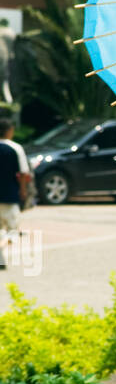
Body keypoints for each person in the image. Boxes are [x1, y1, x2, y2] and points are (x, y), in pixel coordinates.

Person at [0, 116, 32, 271]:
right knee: (13, 231)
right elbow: (23, 173)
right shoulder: (15, 148)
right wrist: (23, 191)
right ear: (9, 131)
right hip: (9, 196)